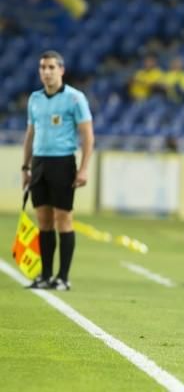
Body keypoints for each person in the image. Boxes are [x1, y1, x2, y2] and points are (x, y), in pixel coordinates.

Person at [22, 50, 94, 291]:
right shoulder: (35, 98)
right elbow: (30, 134)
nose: (46, 72)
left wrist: (83, 168)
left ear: (61, 70)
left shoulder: (75, 98)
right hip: (39, 163)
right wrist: (25, 166)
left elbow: (87, 136)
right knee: (43, 221)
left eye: (51, 67)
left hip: (63, 163)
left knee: (63, 219)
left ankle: (63, 277)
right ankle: (45, 275)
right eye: (43, 67)